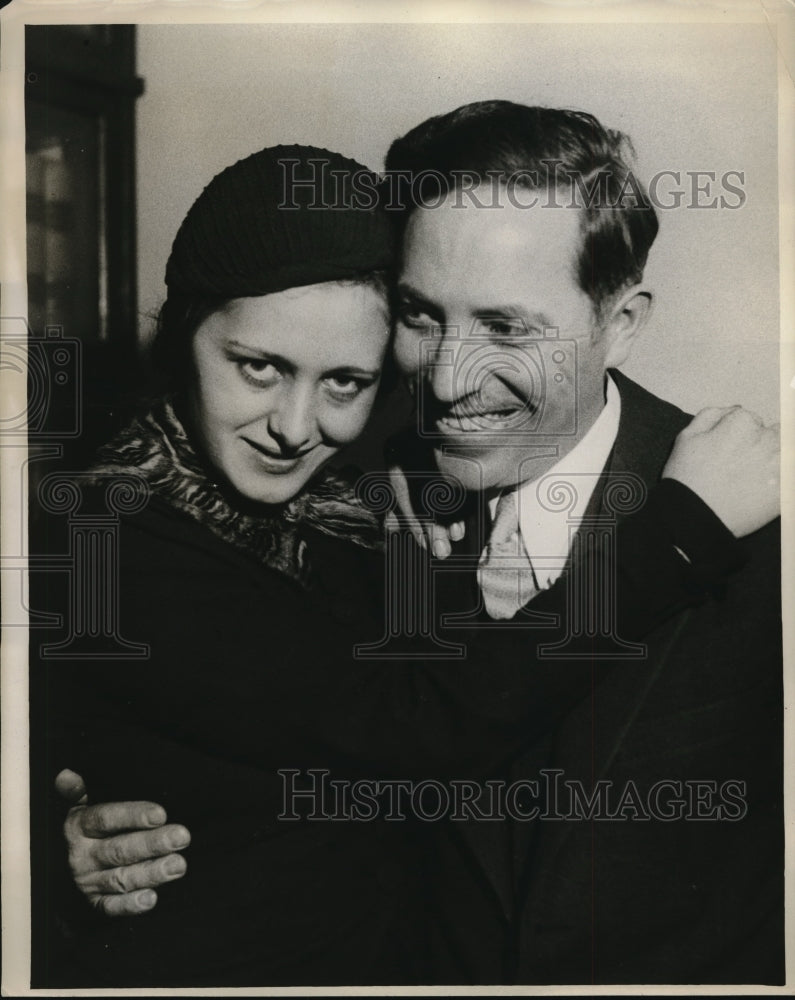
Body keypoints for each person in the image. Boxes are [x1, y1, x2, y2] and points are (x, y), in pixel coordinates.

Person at [45, 112, 781, 985]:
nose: (448, 380)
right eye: (421, 315)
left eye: (507, 327)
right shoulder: (327, 489)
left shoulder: (754, 514)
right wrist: (49, 848)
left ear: (618, 323)